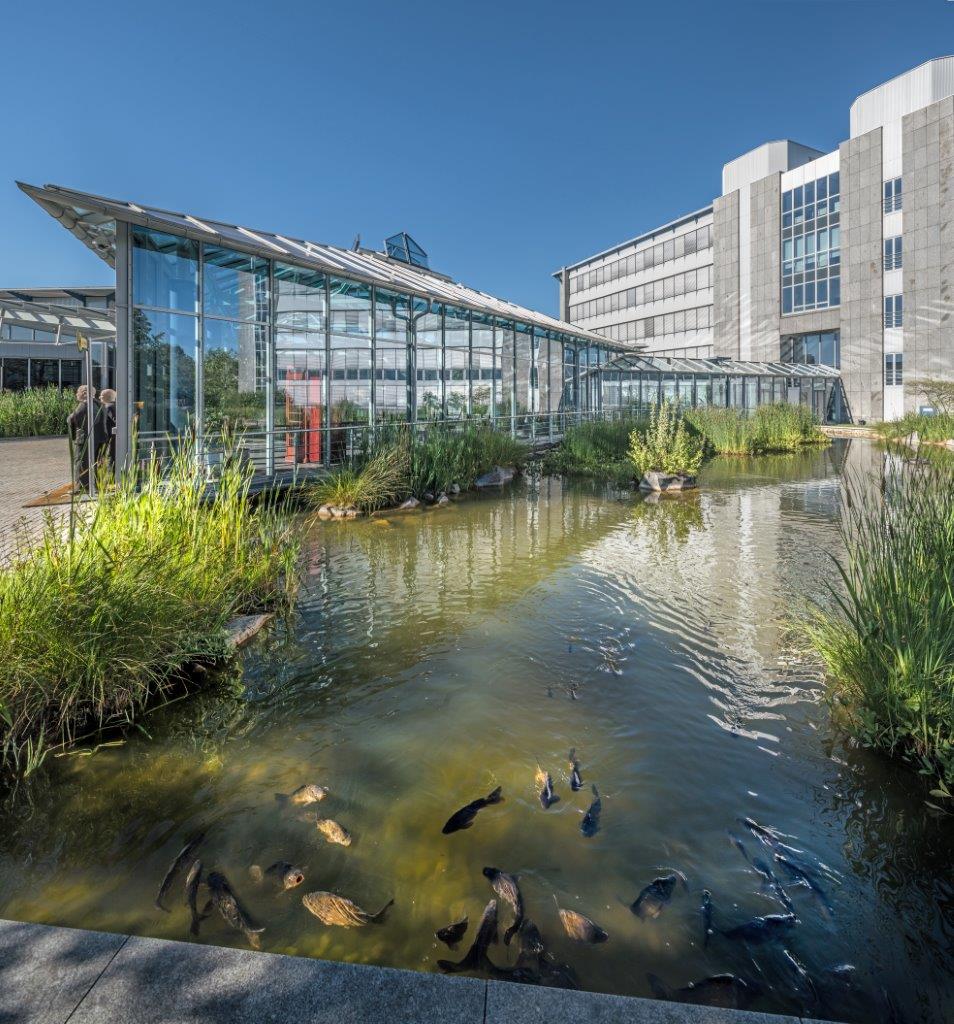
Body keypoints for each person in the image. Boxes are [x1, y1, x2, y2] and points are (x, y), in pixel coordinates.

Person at [66, 384, 107, 493]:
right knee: (93, 462)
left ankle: (82, 487)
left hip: (85, 439)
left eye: (78, 392)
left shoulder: (84, 405)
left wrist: (69, 419)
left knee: (81, 462)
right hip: (98, 438)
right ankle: (93, 486)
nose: (76, 394)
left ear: (84, 393)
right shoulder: (99, 404)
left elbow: (72, 419)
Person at [98, 388, 117, 471]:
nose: (99, 398)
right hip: (113, 438)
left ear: (105, 397)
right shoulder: (115, 406)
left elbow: (115, 421)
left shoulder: (108, 407)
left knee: (110, 459)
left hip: (109, 438)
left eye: (101, 396)